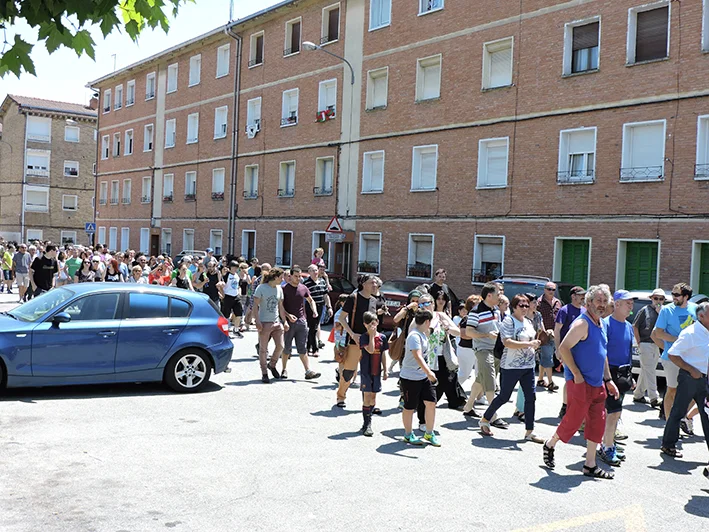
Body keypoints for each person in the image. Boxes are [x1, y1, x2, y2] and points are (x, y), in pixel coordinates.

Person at [542, 285, 619, 480]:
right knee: (574, 421)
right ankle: (550, 444)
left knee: (597, 423)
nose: (602, 305)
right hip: (580, 382)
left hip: (597, 384)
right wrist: (576, 373)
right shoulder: (582, 324)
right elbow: (564, 348)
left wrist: (608, 379)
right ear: (589, 302)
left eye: (605, 301)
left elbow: (602, 354)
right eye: (598, 301)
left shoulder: (601, 324)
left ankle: (590, 464)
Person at [479, 295, 544, 443]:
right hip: (510, 366)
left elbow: (530, 340)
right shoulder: (508, 321)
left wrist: (536, 343)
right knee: (504, 396)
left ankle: (529, 431)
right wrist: (529, 344)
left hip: (528, 365)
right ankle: (485, 419)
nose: (525, 308)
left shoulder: (528, 322)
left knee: (531, 397)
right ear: (514, 307)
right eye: (521, 305)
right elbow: (507, 342)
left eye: (527, 305)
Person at [659, 302, 709, 465]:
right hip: (689, 378)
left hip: (705, 379)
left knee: (707, 414)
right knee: (678, 411)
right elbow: (673, 354)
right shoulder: (690, 333)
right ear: (701, 316)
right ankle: (668, 444)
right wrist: (691, 369)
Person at [597, 290, 635, 467]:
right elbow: (602, 352)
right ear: (617, 304)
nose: (631, 306)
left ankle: (609, 442)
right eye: (628, 303)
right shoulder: (605, 324)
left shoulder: (628, 326)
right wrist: (607, 378)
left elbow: (628, 353)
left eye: (631, 303)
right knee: (612, 413)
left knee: (616, 412)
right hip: (610, 373)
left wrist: (631, 376)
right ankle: (606, 447)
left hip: (623, 374)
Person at [652, 283, 697, 422]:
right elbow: (657, 333)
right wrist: (676, 341)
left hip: (692, 358)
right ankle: (669, 424)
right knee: (672, 390)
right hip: (672, 358)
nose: (673, 297)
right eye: (672, 294)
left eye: (677, 295)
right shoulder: (666, 310)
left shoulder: (695, 309)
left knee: (696, 391)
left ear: (686, 296)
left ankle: (682, 418)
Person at [337, 274, 379, 407]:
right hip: (354, 342)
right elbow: (341, 318)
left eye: (375, 283)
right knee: (349, 372)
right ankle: (340, 397)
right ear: (363, 284)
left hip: (370, 342)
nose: (375, 285)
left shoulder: (374, 300)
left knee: (369, 374)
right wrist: (353, 334)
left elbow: (374, 322)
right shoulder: (353, 298)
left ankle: (368, 403)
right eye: (372, 283)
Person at [400, 309, 440, 446]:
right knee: (409, 407)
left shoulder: (423, 334)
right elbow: (417, 356)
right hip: (410, 377)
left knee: (431, 403)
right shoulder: (414, 336)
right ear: (427, 322)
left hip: (423, 377)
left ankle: (429, 433)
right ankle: (408, 434)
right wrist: (429, 372)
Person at [462, 282, 501, 419]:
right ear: (489, 295)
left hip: (495, 349)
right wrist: (487, 335)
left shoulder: (496, 310)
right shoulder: (476, 311)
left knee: (481, 378)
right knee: (490, 379)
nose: (500, 296)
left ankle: (468, 407)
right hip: (482, 349)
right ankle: (492, 415)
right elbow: (469, 332)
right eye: (498, 294)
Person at [281, 265, 321, 381]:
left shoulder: (303, 288)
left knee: (302, 347)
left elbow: (311, 300)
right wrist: (288, 316)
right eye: (296, 276)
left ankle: (308, 371)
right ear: (290, 276)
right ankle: (284, 369)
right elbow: (280, 306)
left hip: (301, 321)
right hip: (289, 322)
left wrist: (314, 311)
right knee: (287, 348)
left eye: (299, 276)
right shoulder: (284, 289)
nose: (298, 278)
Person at [555, 286, 587, 417]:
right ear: (573, 296)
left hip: (582, 352)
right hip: (567, 350)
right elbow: (557, 330)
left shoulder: (584, 311)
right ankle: (565, 406)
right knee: (570, 380)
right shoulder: (564, 310)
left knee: (579, 379)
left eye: (584, 295)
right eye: (580, 295)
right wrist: (558, 349)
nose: (583, 298)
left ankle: (576, 407)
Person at [253, 267, 289, 383]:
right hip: (264, 322)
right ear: (275, 277)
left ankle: (272, 364)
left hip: (276, 322)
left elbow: (280, 307)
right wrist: (257, 321)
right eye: (281, 277)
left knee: (281, 346)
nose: (282, 279)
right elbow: (255, 306)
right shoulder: (261, 288)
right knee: (263, 349)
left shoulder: (279, 289)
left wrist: (285, 321)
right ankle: (264, 372)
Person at [633, 288, 665, 408]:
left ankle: (638, 394)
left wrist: (660, 313)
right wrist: (639, 342)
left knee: (646, 370)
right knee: (650, 371)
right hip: (645, 343)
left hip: (657, 344)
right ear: (651, 298)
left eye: (661, 299)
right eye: (656, 298)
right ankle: (654, 397)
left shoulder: (664, 312)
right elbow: (635, 326)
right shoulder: (644, 310)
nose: (658, 301)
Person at [358, 311, 389, 437]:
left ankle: (368, 416)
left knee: (373, 398)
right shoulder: (364, 337)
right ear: (365, 325)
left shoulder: (382, 337)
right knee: (367, 396)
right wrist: (371, 335)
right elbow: (370, 350)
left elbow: (383, 354)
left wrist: (385, 369)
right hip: (366, 371)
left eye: (374, 323)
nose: (372, 326)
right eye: (369, 324)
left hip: (376, 371)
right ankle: (367, 424)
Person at [537, 282, 562, 391]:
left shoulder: (558, 302)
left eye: (553, 289)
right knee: (548, 358)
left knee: (545, 357)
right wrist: (545, 331)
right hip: (544, 335)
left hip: (555, 334)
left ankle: (540, 379)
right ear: (544, 289)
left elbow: (560, 317)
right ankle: (551, 382)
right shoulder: (539, 302)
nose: (551, 291)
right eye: (549, 289)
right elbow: (537, 319)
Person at [303, 264, 331, 356]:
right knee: (313, 327)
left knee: (313, 327)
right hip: (310, 307)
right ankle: (315, 349)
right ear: (309, 272)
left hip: (320, 306)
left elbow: (326, 295)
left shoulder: (322, 281)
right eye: (313, 270)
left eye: (316, 270)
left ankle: (307, 347)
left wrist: (329, 307)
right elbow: (303, 298)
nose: (315, 272)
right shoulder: (306, 283)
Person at [221, 261, 245, 338]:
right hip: (228, 296)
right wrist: (222, 295)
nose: (235, 269)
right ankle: (226, 332)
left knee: (239, 314)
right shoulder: (226, 275)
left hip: (236, 296)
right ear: (230, 267)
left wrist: (239, 293)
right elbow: (221, 283)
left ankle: (236, 330)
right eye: (233, 267)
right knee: (226, 315)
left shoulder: (237, 275)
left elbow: (238, 286)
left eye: (236, 267)